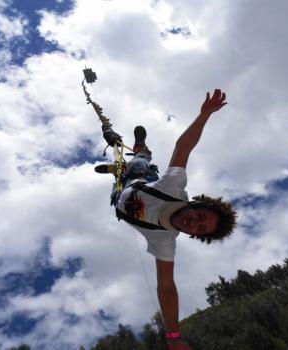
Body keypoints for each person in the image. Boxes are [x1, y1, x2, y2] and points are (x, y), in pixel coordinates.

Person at [96, 89, 237, 350]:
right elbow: (183, 147)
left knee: (118, 188)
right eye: (201, 216)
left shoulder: (165, 241)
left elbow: (166, 286)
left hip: (120, 198)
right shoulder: (173, 186)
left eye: (200, 228)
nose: (194, 222)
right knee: (139, 164)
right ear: (197, 204)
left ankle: (118, 171)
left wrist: (173, 337)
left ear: (196, 235)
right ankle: (140, 149)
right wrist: (204, 115)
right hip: (143, 180)